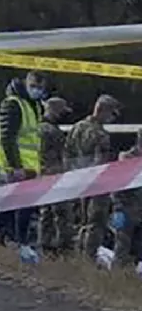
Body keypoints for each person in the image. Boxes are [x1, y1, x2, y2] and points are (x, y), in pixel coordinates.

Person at [0, 72, 47, 246]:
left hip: (30, 167)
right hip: (15, 167)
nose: (37, 90)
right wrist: (16, 166)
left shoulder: (35, 105)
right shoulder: (13, 104)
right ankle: (3, 241)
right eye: (34, 86)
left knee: (22, 208)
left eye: (40, 88)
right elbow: (7, 138)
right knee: (11, 207)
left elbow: (33, 139)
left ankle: (13, 242)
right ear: (26, 83)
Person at [65, 94, 120, 259]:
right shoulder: (101, 134)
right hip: (96, 184)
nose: (112, 118)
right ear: (104, 111)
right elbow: (100, 163)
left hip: (78, 181)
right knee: (96, 223)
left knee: (81, 222)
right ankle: (88, 258)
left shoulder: (77, 127)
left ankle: (78, 256)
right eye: (112, 114)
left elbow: (67, 154)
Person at [38, 96, 73, 253]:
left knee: (46, 213)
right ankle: (61, 248)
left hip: (46, 175)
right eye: (61, 111)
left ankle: (45, 245)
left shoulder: (42, 128)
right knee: (61, 213)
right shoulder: (49, 130)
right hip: (53, 175)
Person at [111, 129, 142, 269]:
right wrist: (117, 208)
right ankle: (117, 275)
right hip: (126, 208)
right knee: (122, 246)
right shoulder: (127, 158)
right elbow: (116, 185)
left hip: (138, 208)